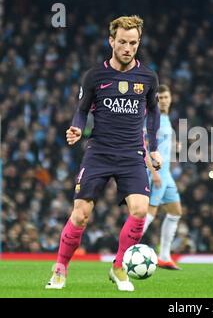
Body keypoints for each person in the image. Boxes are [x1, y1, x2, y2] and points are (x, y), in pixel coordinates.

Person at [45, 15, 162, 292]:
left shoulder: (147, 77)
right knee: (81, 214)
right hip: (99, 151)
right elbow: (82, 110)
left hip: (132, 153)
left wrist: (154, 148)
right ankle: (60, 267)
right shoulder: (95, 76)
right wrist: (76, 128)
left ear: (138, 43)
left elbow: (154, 112)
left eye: (133, 43)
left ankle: (119, 266)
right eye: (122, 42)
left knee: (140, 210)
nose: (127, 48)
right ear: (111, 41)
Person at [142, 85, 183, 270]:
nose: (164, 100)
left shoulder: (166, 119)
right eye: (161, 97)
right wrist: (154, 172)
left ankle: (164, 256)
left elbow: (161, 144)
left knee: (175, 211)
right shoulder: (150, 117)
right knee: (149, 214)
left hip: (166, 174)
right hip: (156, 173)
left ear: (171, 98)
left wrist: (175, 146)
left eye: (167, 97)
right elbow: (143, 145)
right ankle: (124, 252)